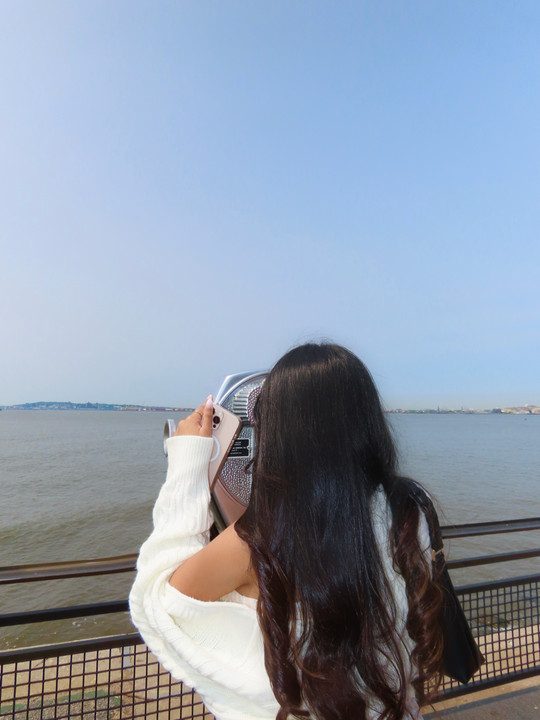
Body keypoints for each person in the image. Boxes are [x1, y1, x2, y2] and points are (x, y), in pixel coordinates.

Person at [129, 343, 444, 720]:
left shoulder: (259, 538)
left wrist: (187, 464)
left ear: (277, 434)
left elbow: (159, 604)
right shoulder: (409, 508)